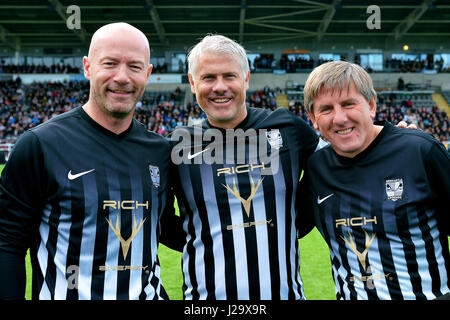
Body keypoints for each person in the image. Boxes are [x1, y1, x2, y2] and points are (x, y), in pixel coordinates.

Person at [0, 22, 181, 300]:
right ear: (87, 67)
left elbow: (165, 227)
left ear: (147, 74)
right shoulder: (40, 145)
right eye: (109, 63)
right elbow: (8, 244)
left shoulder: (160, 150)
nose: (122, 77)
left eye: (134, 67)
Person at [167, 34, 319, 300]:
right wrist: (209, 240)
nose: (220, 87)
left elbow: (337, 169)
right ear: (193, 83)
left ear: (246, 78)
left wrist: (396, 140)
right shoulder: (179, 147)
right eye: (208, 78)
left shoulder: (288, 129)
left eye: (229, 76)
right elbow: (159, 220)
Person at [302, 60, 450, 299]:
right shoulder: (316, 168)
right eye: (326, 109)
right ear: (313, 117)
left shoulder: (420, 151)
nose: (339, 118)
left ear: (371, 105)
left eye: (349, 104)